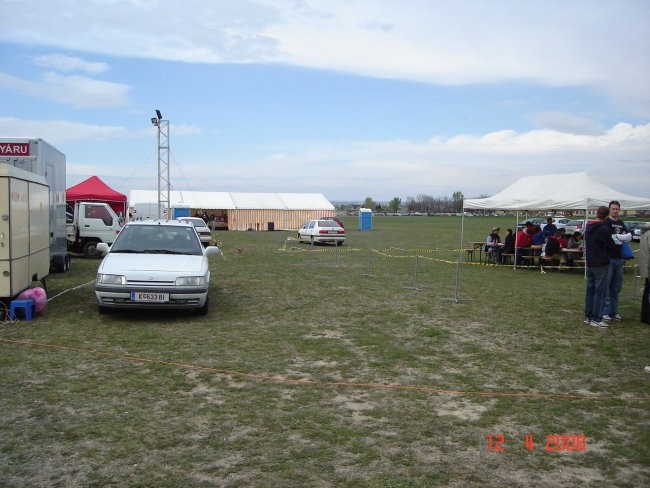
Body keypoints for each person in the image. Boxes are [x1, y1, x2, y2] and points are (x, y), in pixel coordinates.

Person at [584, 206, 617, 328]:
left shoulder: (588, 227)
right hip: (600, 263)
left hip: (590, 262)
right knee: (599, 292)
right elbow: (610, 245)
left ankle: (588, 316)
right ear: (607, 215)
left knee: (590, 291)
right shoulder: (603, 229)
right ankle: (596, 318)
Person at [602, 200, 632, 322]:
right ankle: (605, 312)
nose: (615, 211)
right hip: (609, 258)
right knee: (607, 286)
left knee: (616, 287)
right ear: (609, 209)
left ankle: (615, 312)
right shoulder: (606, 223)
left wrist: (618, 237)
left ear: (619, 210)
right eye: (613, 208)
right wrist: (621, 237)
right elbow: (610, 238)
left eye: (617, 209)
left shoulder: (620, 223)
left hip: (619, 259)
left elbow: (629, 237)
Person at [638, 223, 650, 324]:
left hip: (646, 267)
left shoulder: (645, 233)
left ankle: (645, 316)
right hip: (648, 267)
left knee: (647, 292)